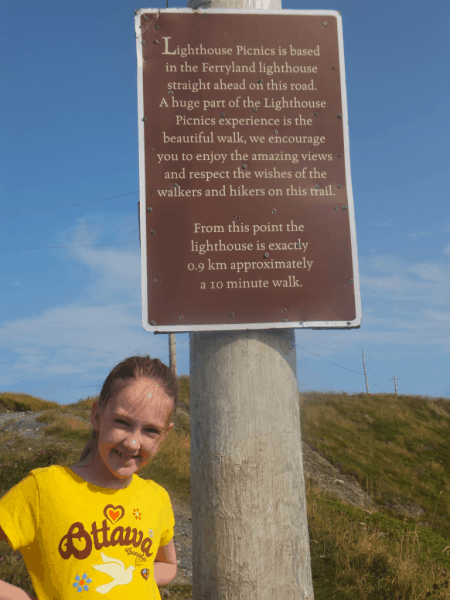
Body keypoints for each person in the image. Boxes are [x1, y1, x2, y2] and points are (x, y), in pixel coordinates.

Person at [0, 355, 178, 600]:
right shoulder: (44, 488)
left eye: (150, 430)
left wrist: (138, 575)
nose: (133, 442)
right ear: (97, 416)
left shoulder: (157, 497)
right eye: (122, 422)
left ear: (165, 435)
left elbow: (169, 565)